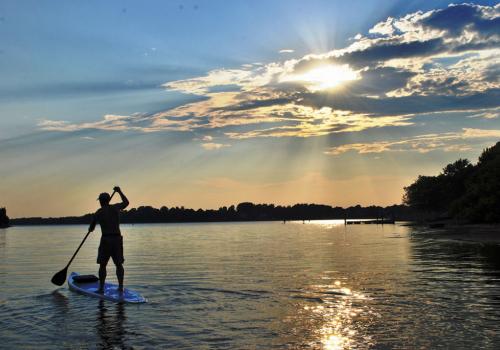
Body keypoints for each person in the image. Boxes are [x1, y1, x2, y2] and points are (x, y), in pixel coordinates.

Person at [89, 186, 129, 293]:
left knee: (103, 265)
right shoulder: (115, 208)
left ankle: (101, 288)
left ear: (101, 201)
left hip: (106, 240)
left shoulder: (98, 212)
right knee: (119, 264)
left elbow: (91, 229)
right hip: (116, 239)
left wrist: (91, 225)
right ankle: (120, 287)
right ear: (108, 200)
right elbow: (126, 202)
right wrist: (120, 191)